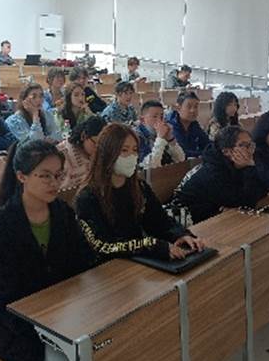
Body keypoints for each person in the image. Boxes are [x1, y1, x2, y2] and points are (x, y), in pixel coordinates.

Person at [0, 140, 94, 361]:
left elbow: (81, 262)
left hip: (55, 312)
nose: (54, 183)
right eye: (45, 176)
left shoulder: (62, 213)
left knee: (103, 347)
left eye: (58, 175)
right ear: (22, 176)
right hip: (9, 321)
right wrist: (40, 329)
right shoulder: (3, 224)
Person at [75, 123, 204, 262]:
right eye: (124, 150)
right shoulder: (87, 197)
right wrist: (151, 246)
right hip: (109, 266)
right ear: (107, 154)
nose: (131, 156)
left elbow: (160, 221)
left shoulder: (139, 187)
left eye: (135, 150)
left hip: (139, 260)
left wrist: (181, 235)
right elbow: (103, 246)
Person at [175, 126, 268, 224]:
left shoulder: (241, 163)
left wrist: (249, 169)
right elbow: (246, 202)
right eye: (243, 145)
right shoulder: (213, 172)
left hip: (214, 214)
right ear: (226, 151)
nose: (250, 150)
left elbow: (264, 189)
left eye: (250, 145)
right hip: (188, 220)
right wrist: (249, 168)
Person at [57, 116, 106, 191]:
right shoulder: (61, 153)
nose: (99, 149)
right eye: (96, 144)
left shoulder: (99, 155)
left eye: (103, 146)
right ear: (84, 136)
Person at [136, 100, 185, 169]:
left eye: (162, 117)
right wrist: (160, 138)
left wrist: (170, 139)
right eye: (155, 116)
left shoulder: (163, 132)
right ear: (142, 120)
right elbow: (149, 167)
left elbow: (181, 159)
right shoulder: (137, 136)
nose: (159, 120)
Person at [165, 91, 210, 158]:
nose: (193, 110)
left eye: (196, 107)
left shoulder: (194, 124)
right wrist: (204, 153)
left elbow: (207, 144)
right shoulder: (171, 126)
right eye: (189, 107)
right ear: (178, 108)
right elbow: (183, 152)